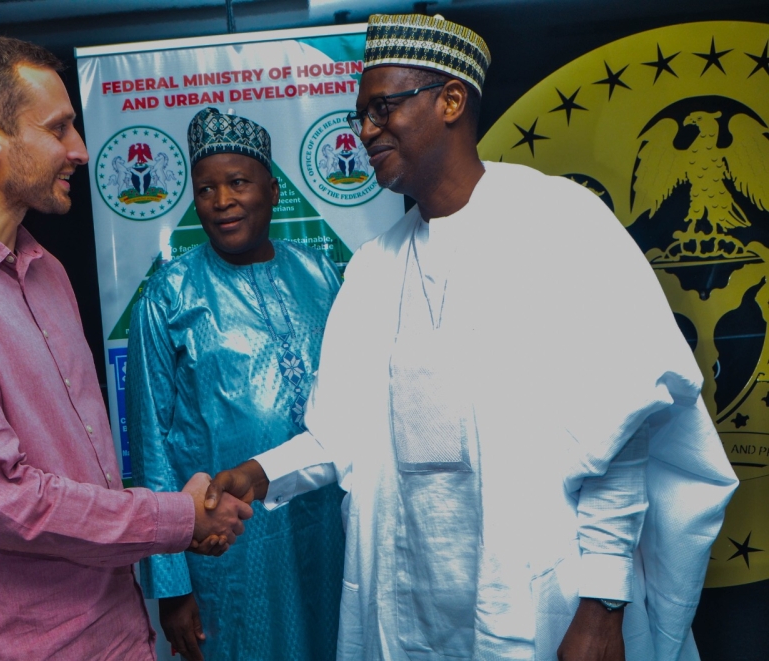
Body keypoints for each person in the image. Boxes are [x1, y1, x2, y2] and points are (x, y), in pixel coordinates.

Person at [205, 13, 739, 661]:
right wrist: (262, 473)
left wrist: (602, 604)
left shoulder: (560, 223)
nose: (366, 132)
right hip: (407, 603)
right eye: (360, 116)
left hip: (538, 600)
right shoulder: (374, 268)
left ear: (451, 100)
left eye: (382, 109)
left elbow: (621, 435)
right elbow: (342, 433)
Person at [0, 36, 252, 660]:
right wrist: (176, 518)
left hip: (114, 628)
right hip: (18, 646)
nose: (80, 151)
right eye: (59, 128)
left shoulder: (46, 270)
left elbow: (81, 471)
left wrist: (177, 519)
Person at [127, 107, 346, 661]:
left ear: (273, 191)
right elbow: (151, 444)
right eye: (206, 189)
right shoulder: (168, 296)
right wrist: (173, 586)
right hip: (233, 545)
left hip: (330, 531)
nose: (221, 200)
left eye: (238, 183)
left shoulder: (323, 275)